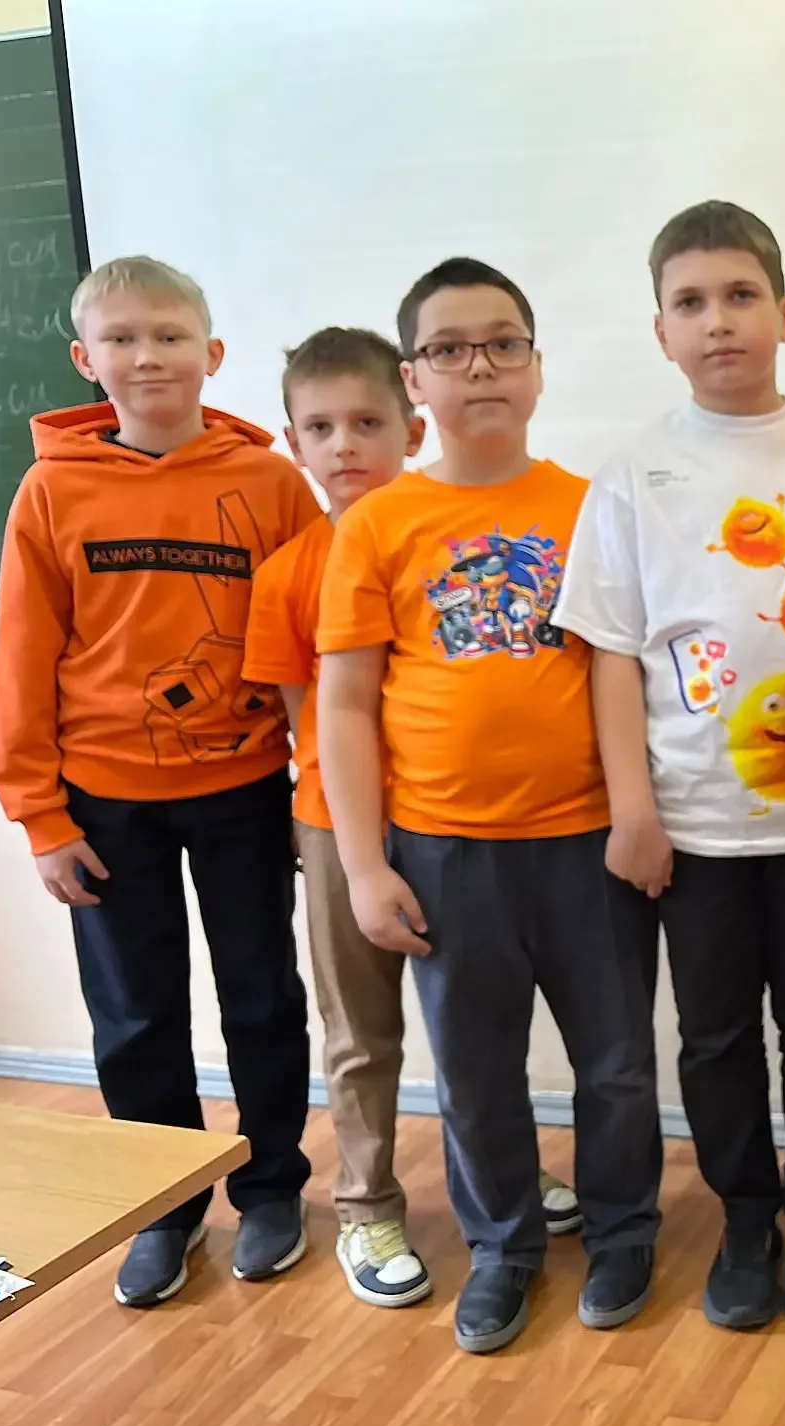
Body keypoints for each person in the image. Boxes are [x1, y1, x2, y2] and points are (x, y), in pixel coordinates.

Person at [554, 200, 785, 1334]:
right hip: (690, 826)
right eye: (692, 303)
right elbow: (612, 653)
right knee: (711, 1038)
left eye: (741, 296)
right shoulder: (632, 474)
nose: (719, 321)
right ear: (660, 331)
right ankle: (748, 1219)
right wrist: (633, 810)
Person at [315, 258, 662, 1354]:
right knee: (474, 1075)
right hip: (443, 852)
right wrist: (364, 866)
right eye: (450, 349)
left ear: (537, 366)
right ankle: (504, 1247)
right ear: (414, 379)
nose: (480, 367)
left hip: (586, 841)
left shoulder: (590, 507)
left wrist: (636, 813)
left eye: (504, 343)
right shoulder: (378, 524)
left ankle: (623, 1232)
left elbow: (617, 667)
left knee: (617, 1065)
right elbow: (345, 703)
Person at [0, 255, 319, 1307]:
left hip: (243, 790)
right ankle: (163, 1206)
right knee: (135, 1018)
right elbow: (25, 661)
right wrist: (40, 817)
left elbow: (316, 648)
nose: (148, 357)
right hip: (103, 804)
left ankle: (270, 1188)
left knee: (261, 997)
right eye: (123, 339)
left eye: (170, 336)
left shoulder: (271, 484)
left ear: (210, 353)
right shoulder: (52, 491)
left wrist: (315, 791)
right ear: (86, 360)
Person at [243, 326, 583, 1307]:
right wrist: (348, 848)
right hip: (340, 831)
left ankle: (506, 1174)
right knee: (362, 1031)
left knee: (481, 1025)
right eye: (320, 428)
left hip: (456, 827)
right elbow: (309, 722)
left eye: (367, 423)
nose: (345, 445)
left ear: (412, 425)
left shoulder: (450, 541)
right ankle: (366, 1202)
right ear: (293, 442)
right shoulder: (288, 574)